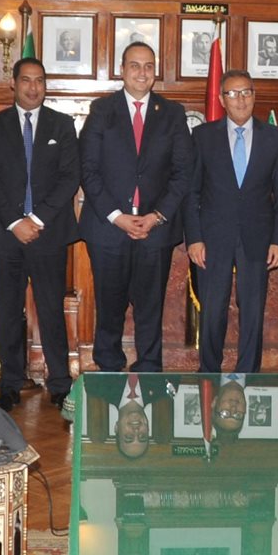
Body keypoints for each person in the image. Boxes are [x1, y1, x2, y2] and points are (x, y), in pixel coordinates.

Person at [80, 42, 193, 373]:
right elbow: (88, 169)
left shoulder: (172, 113)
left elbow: (183, 172)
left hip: (155, 230)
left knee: (151, 309)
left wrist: (156, 216)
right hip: (108, 229)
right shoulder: (102, 110)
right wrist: (118, 217)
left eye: (148, 66)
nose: (142, 72)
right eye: (135, 65)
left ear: (155, 72)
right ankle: (109, 369)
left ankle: (149, 370)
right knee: (109, 307)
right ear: (122, 70)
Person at [0, 57, 81, 413]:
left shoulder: (62, 124)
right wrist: (15, 221)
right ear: (13, 83)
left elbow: (70, 177)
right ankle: (10, 384)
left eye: (39, 80)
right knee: (9, 312)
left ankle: (60, 384)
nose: (33, 87)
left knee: (51, 310)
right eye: (26, 80)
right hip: (7, 235)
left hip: (48, 233)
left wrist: (35, 219)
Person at [185, 70, 278, 373]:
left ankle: (248, 373)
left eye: (246, 92)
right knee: (212, 310)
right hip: (213, 237)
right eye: (232, 93)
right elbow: (191, 193)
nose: (240, 99)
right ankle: (209, 372)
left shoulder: (274, 137)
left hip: (258, 238)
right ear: (221, 99)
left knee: (253, 312)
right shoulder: (203, 136)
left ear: (254, 96)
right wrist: (194, 238)